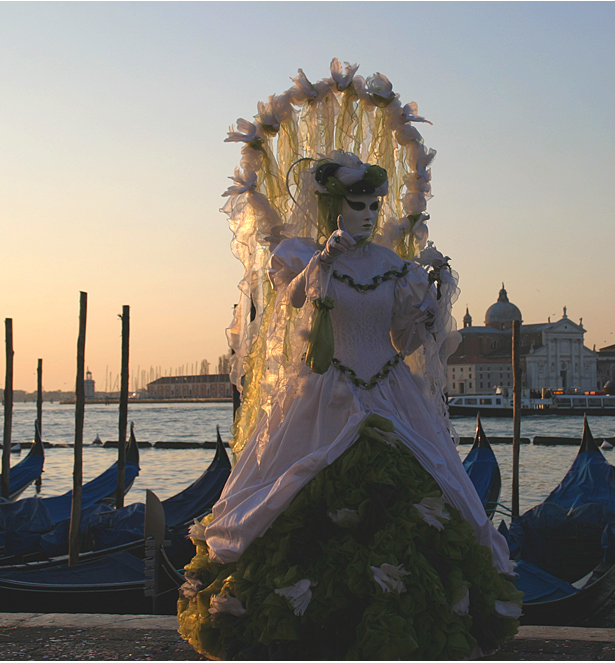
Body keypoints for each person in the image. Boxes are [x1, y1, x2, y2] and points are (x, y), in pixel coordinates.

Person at [177, 65, 521, 660]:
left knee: (429, 486)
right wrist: (321, 268)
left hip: (390, 395)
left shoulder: (396, 268)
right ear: (334, 207)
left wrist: (434, 298)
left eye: (374, 206)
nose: (368, 214)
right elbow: (296, 324)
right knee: (289, 490)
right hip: (323, 396)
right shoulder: (303, 260)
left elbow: (410, 341)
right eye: (358, 205)